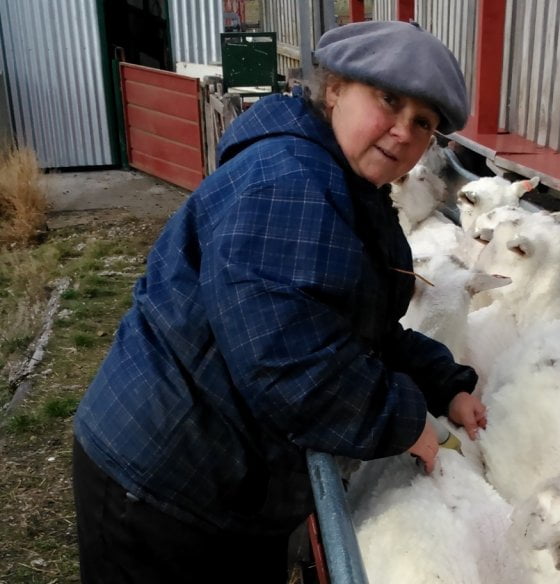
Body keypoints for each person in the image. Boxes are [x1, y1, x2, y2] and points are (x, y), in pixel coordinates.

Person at [72, 21, 486, 583]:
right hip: (163, 484)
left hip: (226, 479)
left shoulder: (346, 184)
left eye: (423, 124)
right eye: (388, 100)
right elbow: (292, 365)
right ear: (335, 88)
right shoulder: (288, 184)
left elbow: (352, 324)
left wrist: (444, 382)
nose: (401, 132)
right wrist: (407, 420)